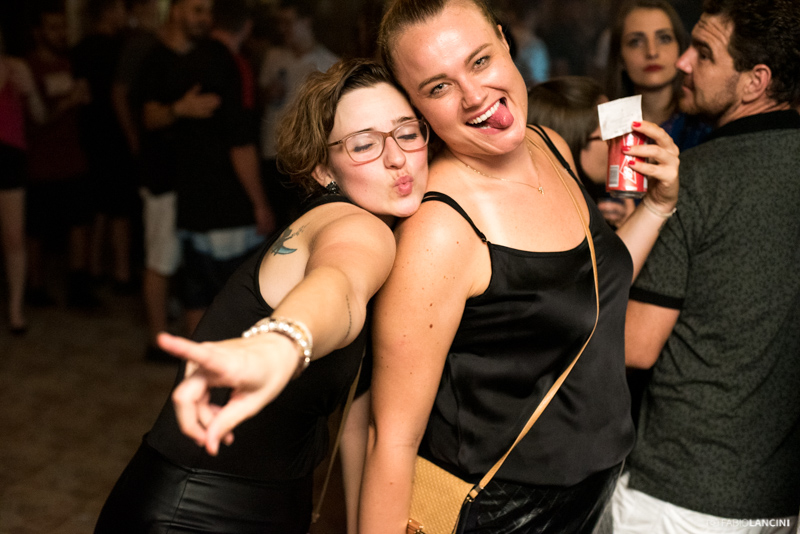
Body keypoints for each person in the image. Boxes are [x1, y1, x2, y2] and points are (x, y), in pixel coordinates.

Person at [356, 0, 679, 532]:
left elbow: (593, 287)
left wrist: (658, 206)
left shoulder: (548, 145)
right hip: (500, 513)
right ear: (415, 108)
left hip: (593, 493)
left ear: (506, 43)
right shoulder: (439, 231)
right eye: (439, 87)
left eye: (480, 60)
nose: (474, 96)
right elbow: (390, 440)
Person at [94, 58, 429, 533]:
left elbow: (357, 423)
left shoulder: (387, 235)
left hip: (267, 505)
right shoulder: (357, 227)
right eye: (364, 145)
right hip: (193, 513)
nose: (396, 157)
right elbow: (337, 283)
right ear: (323, 171)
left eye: (407, 133)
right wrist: (283, 341)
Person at [612, 0, 800, 531]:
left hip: (679, 495)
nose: (683, 62)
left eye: (704, 53)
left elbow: (635, 344)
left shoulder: (693, 179)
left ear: (755, 81)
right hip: (779, 498)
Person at [25, 2, 94, 314]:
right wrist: (69, 101)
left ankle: (78, 287)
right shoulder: (27, 68)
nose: (61, 33)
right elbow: (35, 117)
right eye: (53, 27)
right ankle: (36, 287)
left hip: (72, 157)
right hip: (40, 162)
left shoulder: (69, 63)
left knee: (79, 222)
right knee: (37, 230)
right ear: (38, 32)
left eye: (63, 26)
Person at [258, 0, 339, 228]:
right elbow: (257, 102)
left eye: (288, 22)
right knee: (277, 223)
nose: (283, 29)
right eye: (280, 23)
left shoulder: (329, 63)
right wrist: (267, 93)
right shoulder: (273, 57)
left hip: (307, 156)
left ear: (306, 22)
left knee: (309, 220)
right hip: (272, 152)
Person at [527, 76, 638, 228]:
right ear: (572, 142)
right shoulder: (549, 221)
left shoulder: (594, 205)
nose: (621, 142)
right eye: (610, 135)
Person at [605, 0, 711, 152]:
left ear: (681, 48)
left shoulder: (704, 126)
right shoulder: (605, 126)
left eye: (664, 39)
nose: (652, 52)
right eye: (636, 42)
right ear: (620, 57)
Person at [0, 36, 45, 334]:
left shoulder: (17, 67)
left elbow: (40, 116)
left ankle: (16, 310)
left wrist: (30, 92)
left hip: (10, 158)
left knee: (14, 236)